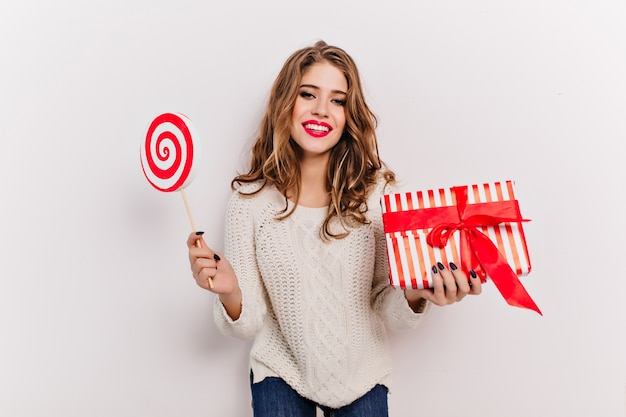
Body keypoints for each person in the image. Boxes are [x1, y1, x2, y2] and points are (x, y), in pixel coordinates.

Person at [187, 40, 482, 416]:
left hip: (362, 373)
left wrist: (417, 293)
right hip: (281, 371)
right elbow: (247, 326)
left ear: (349, 114)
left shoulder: (378, 196)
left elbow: (389, 311)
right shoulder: (249, 201)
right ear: (284, 102)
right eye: (308, 94)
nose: (322, 110)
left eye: (338, 100)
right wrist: (230, 291)